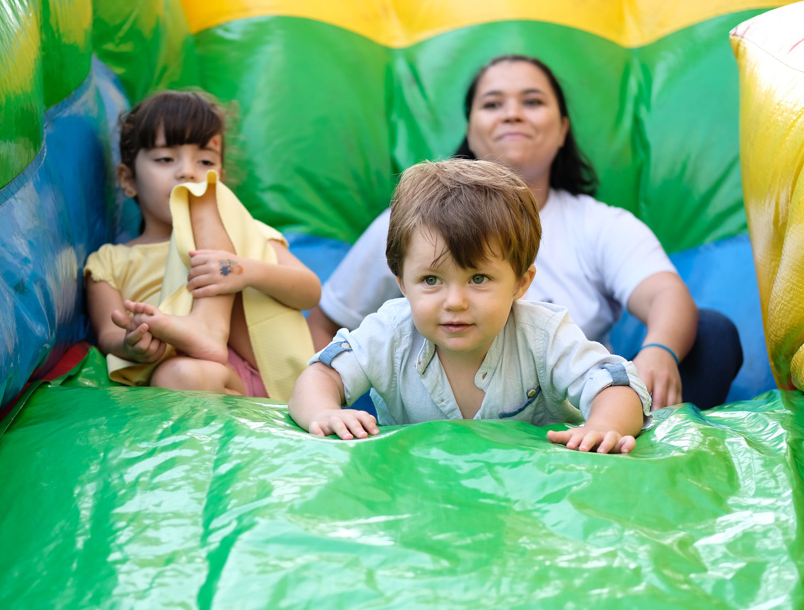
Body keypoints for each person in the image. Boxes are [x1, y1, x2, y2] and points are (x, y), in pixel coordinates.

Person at [306, 54, 742, 410]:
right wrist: (338, 408)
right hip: (427, 415)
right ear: (471, 131)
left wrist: (659, 353)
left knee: (711, 335)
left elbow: (666, 294)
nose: (512, 113)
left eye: (532, 102)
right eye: (493, 104)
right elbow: (330, 321)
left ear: (562, 129)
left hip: (563, 414)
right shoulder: (416, 224)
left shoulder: (596, 225)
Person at [290, 160, 651, 454]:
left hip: (530, 496)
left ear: (521, 283)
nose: (455, 302)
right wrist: (323, 411)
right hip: (421, 495)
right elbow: (321, 375)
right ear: (401, 283)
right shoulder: (390, 333)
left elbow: (615, 384)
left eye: (478, 279)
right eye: (431, 280)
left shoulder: (543, 335)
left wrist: (604, 426)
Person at [85, 90, 321, 399]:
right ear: (128, 179)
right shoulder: (110, 261)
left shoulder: (243, 234)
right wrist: (132, 344)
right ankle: (203, 335)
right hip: (201, 382)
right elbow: (108, 333)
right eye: (166, 159)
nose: (188, 172)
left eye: (206, 161)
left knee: (201, 198)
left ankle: (208, 325)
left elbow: (310, 289)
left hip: (262, 373)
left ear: (221, 178)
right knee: (178, 374)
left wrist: (245, 271)